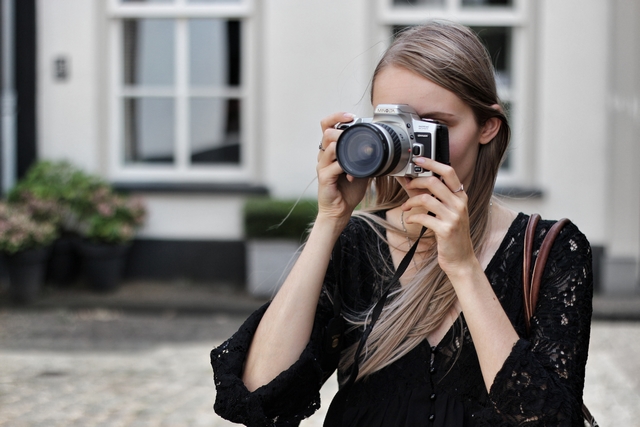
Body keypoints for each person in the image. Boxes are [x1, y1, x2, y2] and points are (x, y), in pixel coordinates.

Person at [211, 20, 593, 427]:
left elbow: (548, 419)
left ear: (487, 126)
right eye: (395, 126)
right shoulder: (357, 243)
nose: (410, 144)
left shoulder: (550, 251)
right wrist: (330, 220)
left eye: (434, 126)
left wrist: (464, 268)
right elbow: (258, 393)